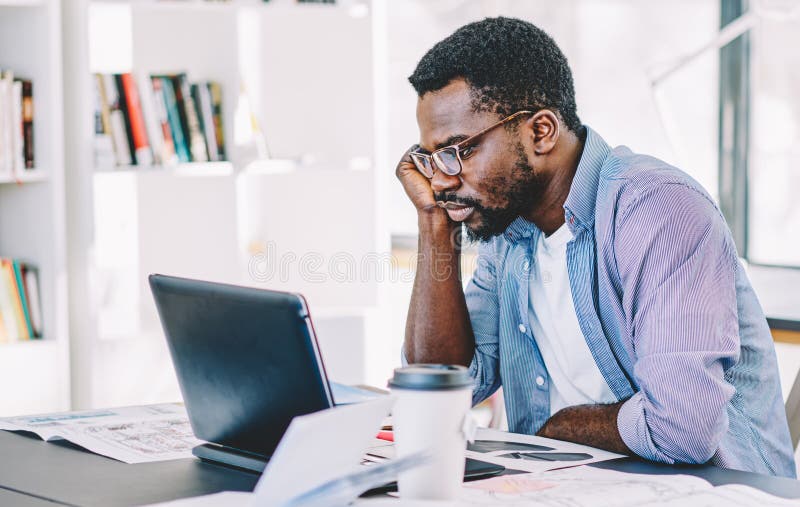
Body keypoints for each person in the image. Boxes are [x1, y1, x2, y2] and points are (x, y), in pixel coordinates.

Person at [396, 16, 795, 477]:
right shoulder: (509, 232)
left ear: (541, 132)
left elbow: (683, 427)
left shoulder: (658, 211)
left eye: (457, 150)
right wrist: (434, 224)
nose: (442, 179)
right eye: (430, 158)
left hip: (713, 493)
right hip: (570, 489)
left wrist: (563, 428)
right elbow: (446, 385)